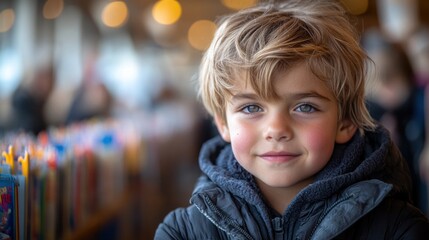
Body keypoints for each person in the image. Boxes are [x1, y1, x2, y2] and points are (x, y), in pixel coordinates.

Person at [155, 0, 429, 239]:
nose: (276, 130)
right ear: (222, 123)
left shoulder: (397, 228)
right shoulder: (182, 232)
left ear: (345, 122)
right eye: (251, 108)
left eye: (305, 107)